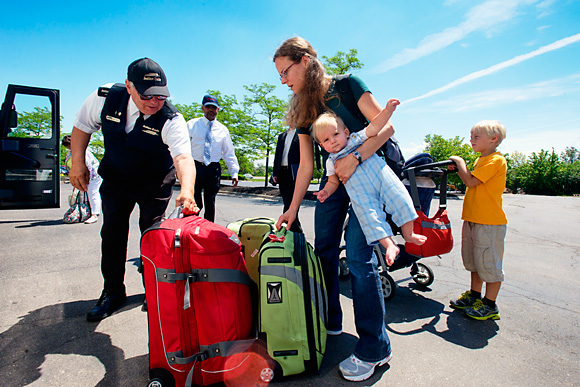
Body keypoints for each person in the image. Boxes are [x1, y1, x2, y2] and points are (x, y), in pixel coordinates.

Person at [273, 37, 394, 382]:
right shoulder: (302, 109)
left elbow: (386, 127)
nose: (283, 80)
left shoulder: (348, 84)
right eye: (279, 75)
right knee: (323, 250)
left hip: (369, 175)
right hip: (334, 183)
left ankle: (375, 347)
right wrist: (291, 209)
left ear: (306, 61)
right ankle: (330, 321)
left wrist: (355, 158)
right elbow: (307, 166)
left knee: (358, 257)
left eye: (286, 71)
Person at [69, 58, 198, 322]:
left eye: (161, 96)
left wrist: (187, 191)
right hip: (116, 179)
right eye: (147, 96)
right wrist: (78, 164)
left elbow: (184, 158)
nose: (154, 102)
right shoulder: (105, 97)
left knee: (153, 239)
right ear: (129, 86)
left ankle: (155, 292)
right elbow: (82, 128)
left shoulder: (171, 118)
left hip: (153, 183)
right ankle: (112, 292)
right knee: (112, 234)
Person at [312, 101, 426, 264]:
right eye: (326, 140)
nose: (333, 141)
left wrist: (387, 111)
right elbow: (332, 182)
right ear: (322, 145)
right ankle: (390, 245)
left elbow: (374, 127)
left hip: (382, 178)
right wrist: (326, 192)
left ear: (346, 132)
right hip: (361, 194)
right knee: (370, 218)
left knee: (400, 199)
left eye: (336, 134)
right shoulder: (331, 162)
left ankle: (409, 234)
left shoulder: (356, 139)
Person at [448, 120, 507, 321]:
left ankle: (490, 304)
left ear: (493, 139)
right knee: (475, 262)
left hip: (488, 222)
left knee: (489, 264)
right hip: (473, 218)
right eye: (471, 136)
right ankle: (475, 296)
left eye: (476, 137)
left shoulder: (495, 160)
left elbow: (471, 181)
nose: (471, 140)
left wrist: (460, 164)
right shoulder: (481, 160)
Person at [187, 94, 239, 222]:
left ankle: (208, 231)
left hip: (213, 169)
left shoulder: (222, 129)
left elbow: (228, 152)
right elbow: (183, 148)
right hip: (195, 167)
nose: (211, 110)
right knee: (195, 202)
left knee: (210, 202)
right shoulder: (192, 125)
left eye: (214, 108)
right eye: (208, 107)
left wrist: (234, 172)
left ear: (218, 110)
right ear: (202, 108)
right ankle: (192, 228)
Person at [62, 135, 102, 224]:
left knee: (92, 193)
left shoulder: (83, 152)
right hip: (81, 176)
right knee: (83, 195)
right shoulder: (70, 153)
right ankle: (86, 212)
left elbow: (89, 166)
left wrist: (85, 178)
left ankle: (94, 214)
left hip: (92, 176)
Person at [272, 127, 302, 233]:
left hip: (294, 172)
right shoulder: (282, 136)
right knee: (286, 202)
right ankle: (296, 232)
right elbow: (277, 155)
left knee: (290, 204)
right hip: (282, 172)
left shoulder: (301, 134)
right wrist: (275, 172)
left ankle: (288, 230)